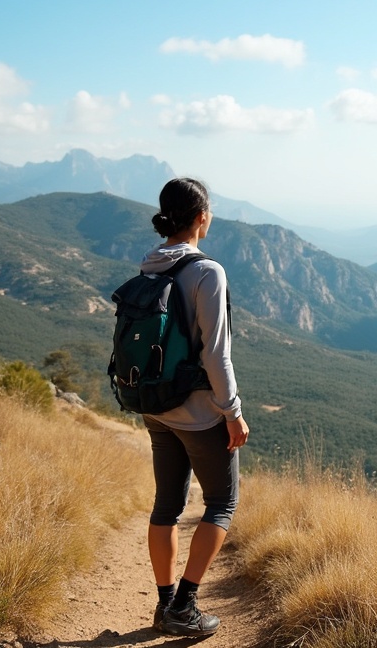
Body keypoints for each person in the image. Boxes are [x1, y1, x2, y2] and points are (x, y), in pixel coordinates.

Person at [140, 177, 249, 637]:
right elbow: (215, 354)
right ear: (202, 217)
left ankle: (164, 605)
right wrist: (233, 411)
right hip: (200, 411)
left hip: (155, 406)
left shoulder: (149, 266)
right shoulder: (208, 271)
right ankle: (184, 605)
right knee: (222, 502)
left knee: (166, 505)